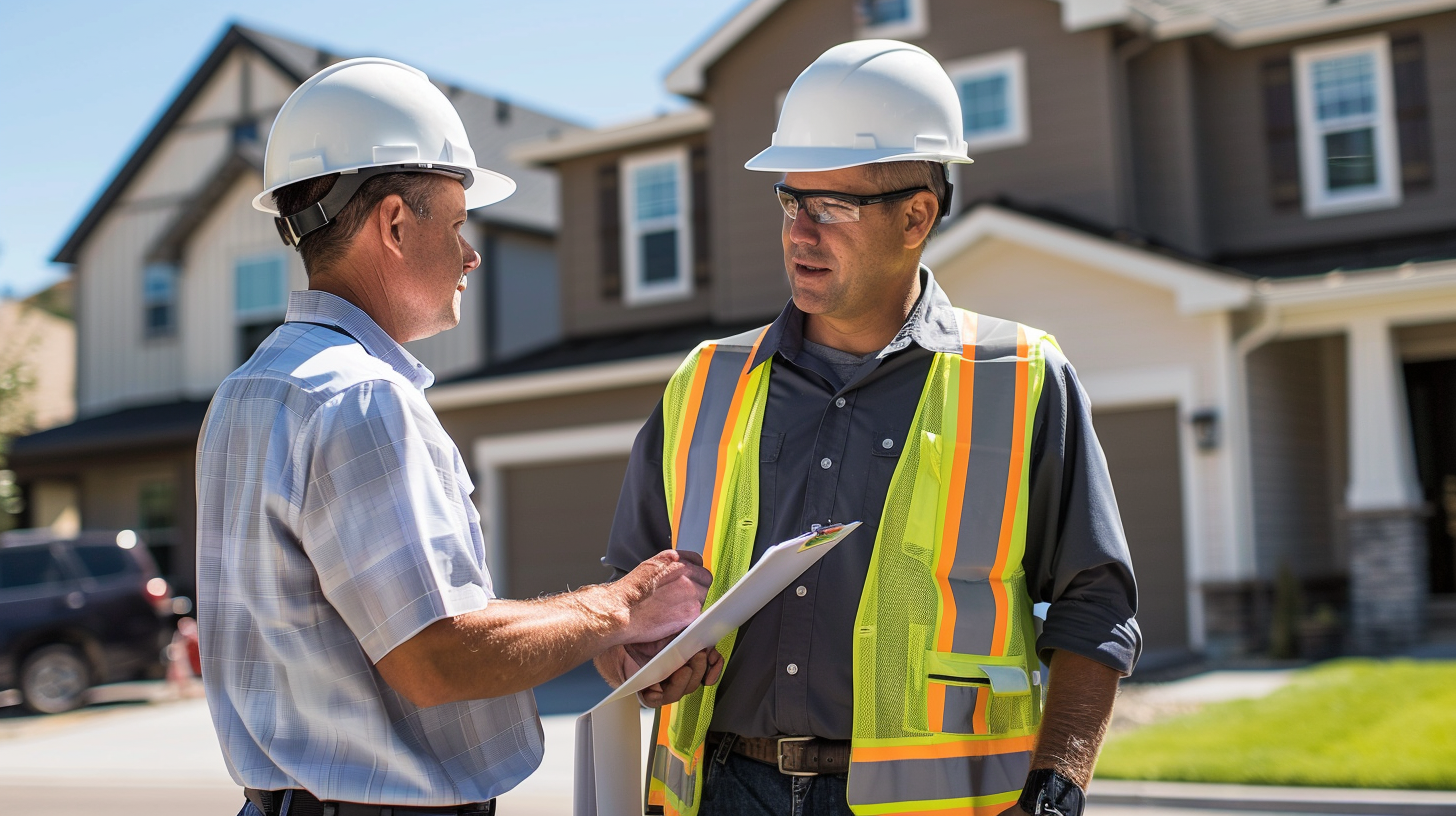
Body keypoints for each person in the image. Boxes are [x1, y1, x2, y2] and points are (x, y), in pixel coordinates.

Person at [597, 40, 1141, 816]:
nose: (799, 232)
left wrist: (1056, 791)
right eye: (791, 201)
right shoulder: (707, 381)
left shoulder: (1022, 378)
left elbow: (1097, 605)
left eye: (831, 207)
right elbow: (625, 602)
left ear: (918, 214)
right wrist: (638, 659)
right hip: (720, 791)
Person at [196, 58, 719, 816]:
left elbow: (401, 626)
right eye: (459, 223)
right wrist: (619, 608)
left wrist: (583, 631)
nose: (472, 255)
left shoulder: (248, 393)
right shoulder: (365, 398)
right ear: (396, 224)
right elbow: (436, 656)